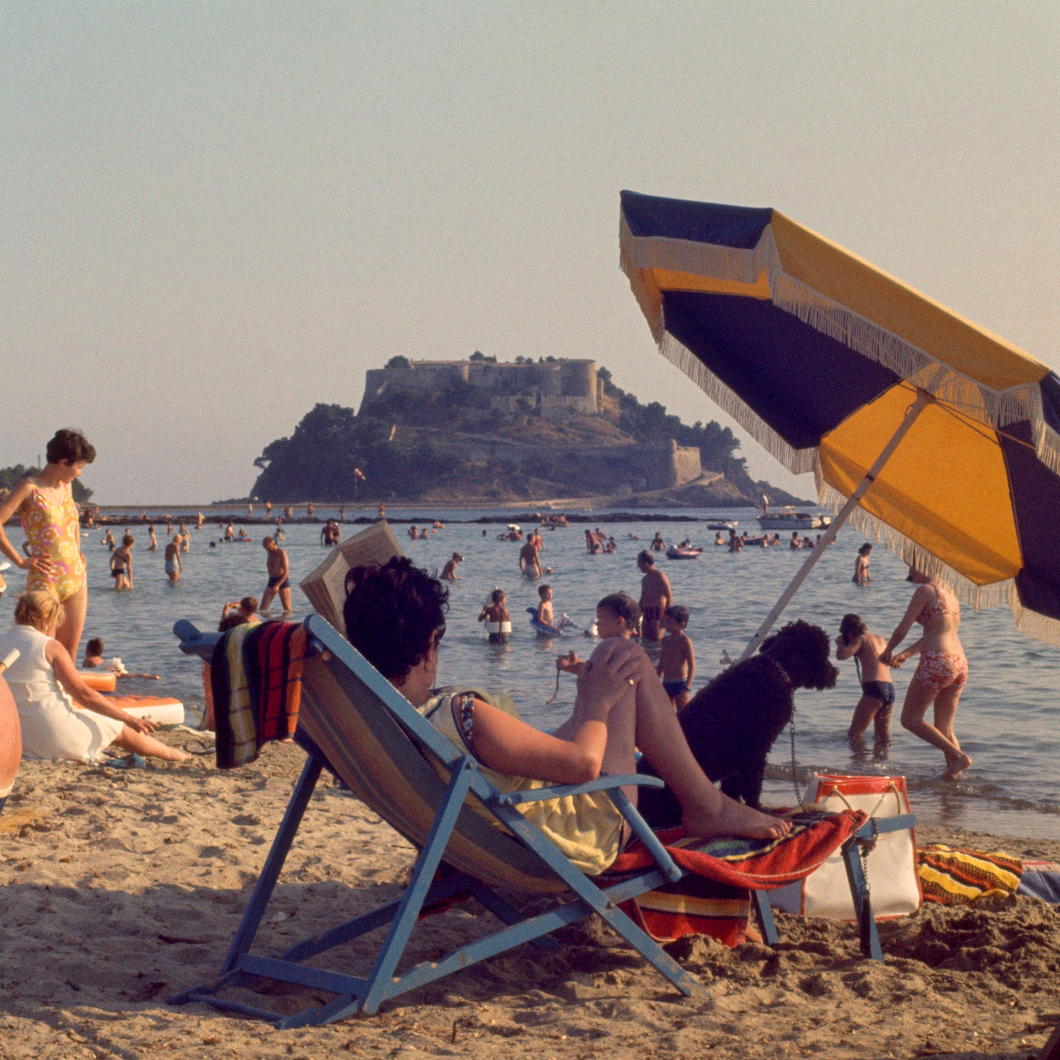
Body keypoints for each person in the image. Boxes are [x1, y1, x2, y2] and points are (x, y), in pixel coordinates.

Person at [342, 557, 788, 860]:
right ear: (429, 645)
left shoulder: (396, 723)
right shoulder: (463, 715)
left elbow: (533, 758)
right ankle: (705, 804)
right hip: (591, 829)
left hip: (515, 823)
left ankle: (705, 802)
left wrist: (586, 706)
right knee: (624, 656)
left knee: (613, 665)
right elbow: (583, 765)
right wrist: (594, 702)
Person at [0, 591, 188, 763]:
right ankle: (173, 754)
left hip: (17, 739)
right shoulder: (49, 646)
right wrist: (130, 719)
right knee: (117, 727)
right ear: (47, 619)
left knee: (95, 721)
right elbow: (84, 695)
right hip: (52, 734)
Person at [0, 428, 96, 657]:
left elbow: (73, 522)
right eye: (79, 467)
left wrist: (77, 550)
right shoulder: (29, 488)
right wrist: (20, 561)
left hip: (76, 577)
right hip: (45, 579)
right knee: (39, 651)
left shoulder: (66, 486)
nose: (80, 473)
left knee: (68, 654)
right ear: (63, 462)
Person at [880, 567, 972, 779]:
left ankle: (958, 757)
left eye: (912, 566)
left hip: (937, 660)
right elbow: (937, 632)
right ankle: (955, 778)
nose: (909, 571)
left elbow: (902, 629)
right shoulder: (949, 592)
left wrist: (888, 650)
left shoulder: (925, 591)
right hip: (959, 661)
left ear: (924, 564)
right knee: (944, 728)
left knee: (910, 720)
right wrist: (906, 654)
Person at [834, 613, 892, 747]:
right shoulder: (880, 639)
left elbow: (841, 655)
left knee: (854, 735)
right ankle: (882, 759)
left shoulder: (860, 639)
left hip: (874, 688)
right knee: (882, 736)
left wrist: (841, 644)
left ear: (848, 632)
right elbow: (889, 660)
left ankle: (858, 760)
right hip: (890, 689)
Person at [557, 593, 640, 676]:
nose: (596, 623)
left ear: (619, 622)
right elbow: (602, 672)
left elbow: (601, 677)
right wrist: (578, 664)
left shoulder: (610, 649)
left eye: (600, 619)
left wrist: (570, 667)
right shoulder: (632, 650)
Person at [657, 605, 696, 710]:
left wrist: (687, 687)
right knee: (667, 713)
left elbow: (692, 666)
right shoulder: (665, 640)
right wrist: (655, 681)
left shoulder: (685, 641)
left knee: (684, 712)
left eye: (669, 621)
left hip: (680, 683)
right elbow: (661, 663)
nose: (666, 624)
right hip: (666, 682)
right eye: (665, 621)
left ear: (681, 624)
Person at [82, 637, 160, 680]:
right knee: (130, 675)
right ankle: (149, 676)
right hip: (113, 666)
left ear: (88, 650)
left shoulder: (88, 660)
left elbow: (83, 675)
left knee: (122, 675)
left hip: (106, 671)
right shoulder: (101, 659)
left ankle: (149, 677)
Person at [636, 550, 672, 643]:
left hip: (658, 610)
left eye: (639, 563)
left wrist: (667, 615)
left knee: (657, 639)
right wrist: (637, 613)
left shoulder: (660, 576)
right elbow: (642, 598)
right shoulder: (645, 579)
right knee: (645, 639)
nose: (638, 566)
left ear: (646, 563)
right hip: (646, 610)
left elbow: (669, 595)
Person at [260, 536, 293, 613]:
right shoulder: (269, 553)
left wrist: (278, 585)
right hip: (272, 580)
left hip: (282, 581)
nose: (265, 548)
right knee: (262, 609)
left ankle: (287, 620)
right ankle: (269, 620)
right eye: (264, 546)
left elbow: (287, 572)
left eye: (266, 546)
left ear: (272, 543)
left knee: (287, 609)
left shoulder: (281, 553)